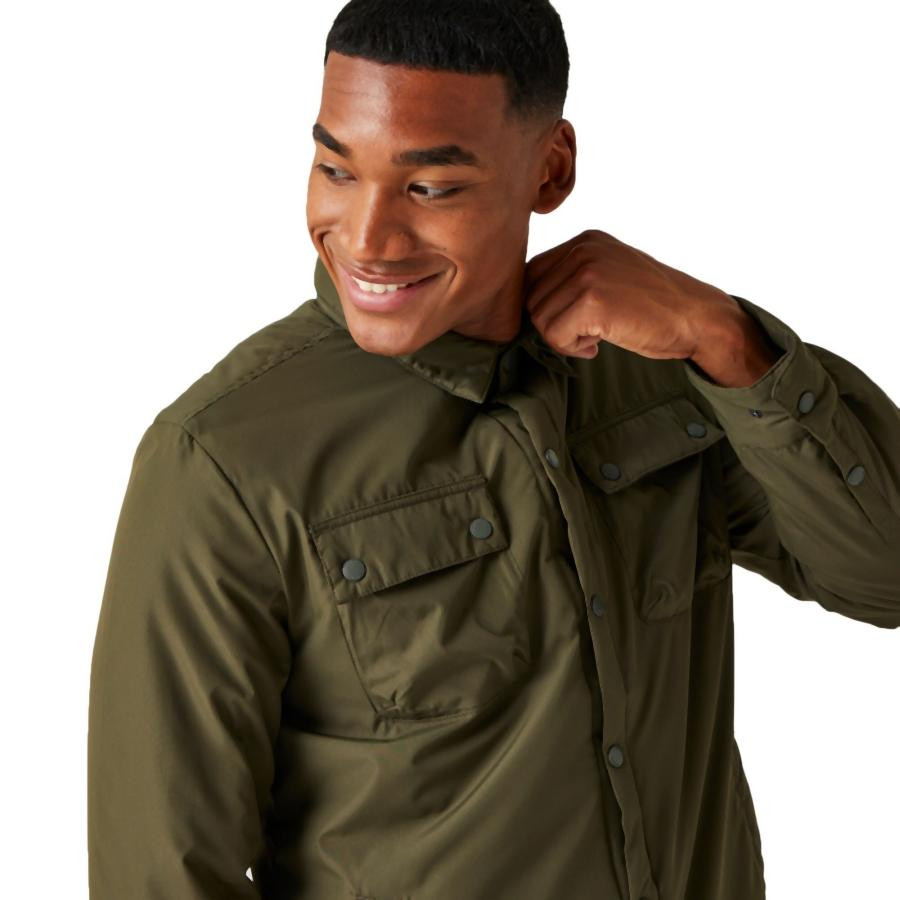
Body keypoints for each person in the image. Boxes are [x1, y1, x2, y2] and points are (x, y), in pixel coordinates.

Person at [87, 1, 900, 897]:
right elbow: (162, 874)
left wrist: (726, 339)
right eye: (335, 168)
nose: (366, 238)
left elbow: (885, 576)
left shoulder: (665, 369)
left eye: (430, 187)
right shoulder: (220, 458)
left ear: (551, 169)